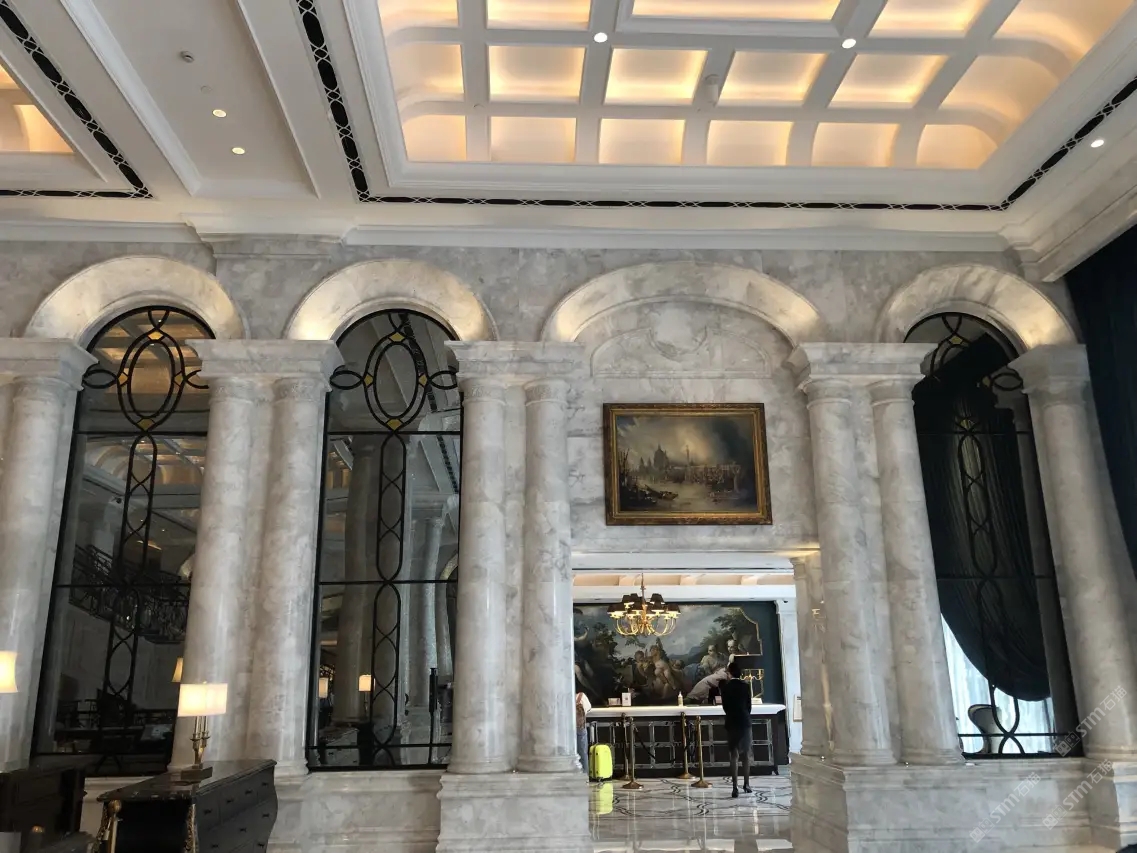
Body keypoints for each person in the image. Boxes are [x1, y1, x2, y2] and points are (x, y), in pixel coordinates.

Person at [720, 658, 753, 798]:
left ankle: (735, 788)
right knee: (746, 755)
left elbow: (725, 707)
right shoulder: (746, 686)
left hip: (732, 722)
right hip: (744, 721)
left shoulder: (725, 687)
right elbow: (749, 706)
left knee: (734, 755)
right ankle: (747, 784)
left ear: (729, 673)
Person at [575, 690, 592, 774]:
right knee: (582, 755)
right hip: (580, 728)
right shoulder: (581, 696)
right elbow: (588, 709)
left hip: (566, 730)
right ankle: (584, 776)